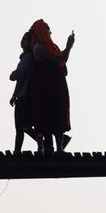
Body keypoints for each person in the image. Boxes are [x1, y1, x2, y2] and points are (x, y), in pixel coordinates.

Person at [29, 19, 74, 154]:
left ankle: (59, 149)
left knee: (58, 115)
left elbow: (62, 58)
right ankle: (43, 148)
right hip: (46, 88)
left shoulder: (50, 46)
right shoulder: (39, 47)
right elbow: (59, 58)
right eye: (47, 30)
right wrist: (69, 46)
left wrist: (69, 47)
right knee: (46, 117)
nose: (49, 33)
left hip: (56, 86)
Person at [9, 31, 41, 153]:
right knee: (25, 124)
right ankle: (40, 144)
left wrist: (13, 75)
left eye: (26, 39)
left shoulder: (27, 57)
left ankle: (17, 150)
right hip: (23, 94)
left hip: (25, 94)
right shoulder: (26, 57)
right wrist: (14, 95)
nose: (23, 41)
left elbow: (18, 76)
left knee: (20, 125)